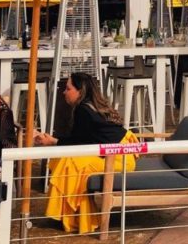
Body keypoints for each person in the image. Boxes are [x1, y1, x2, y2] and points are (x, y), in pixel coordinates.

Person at [38, 72, 139, 234]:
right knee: (66, 160)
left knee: (71, 164)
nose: (64, 92)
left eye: (68, 88)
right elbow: (81, 140)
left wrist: (53, 141)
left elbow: (79, 143)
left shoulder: (83, 110)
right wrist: (55, 141)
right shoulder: (89, 106)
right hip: (117, 153)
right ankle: (72, 215)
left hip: (118, 157)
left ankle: (75, 218)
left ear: (80, 91)